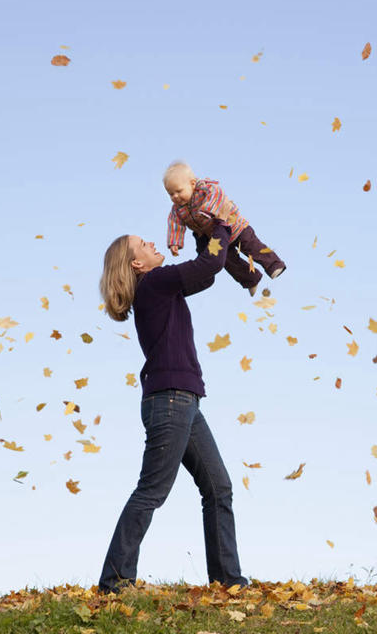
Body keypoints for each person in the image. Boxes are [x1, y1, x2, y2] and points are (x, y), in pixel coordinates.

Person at [96, 195, 249, 594]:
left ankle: (227, 582)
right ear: (137, 264)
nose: (152, 242)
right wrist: (219, 221)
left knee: (219, 487)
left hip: (181, 403)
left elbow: (206, 271)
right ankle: (114, 582)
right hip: (171, 401)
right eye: (143, 244)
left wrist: (205, 236)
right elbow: (211, 265)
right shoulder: (157, 284)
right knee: (151, 491)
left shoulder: (160, 289)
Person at [163, 160, 286, 297]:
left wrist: (209, 211)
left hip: (234, 226)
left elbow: (217, 195)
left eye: (179, 191)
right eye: (171, 194)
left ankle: (274, 265)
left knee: (251, 246)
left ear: (192, 184)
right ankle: (250, 280)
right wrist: (175, 242)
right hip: (215, 236)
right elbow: (175, 224)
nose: (175, 197)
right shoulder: (177, 210)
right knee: (227, 261)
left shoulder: (205, 189)